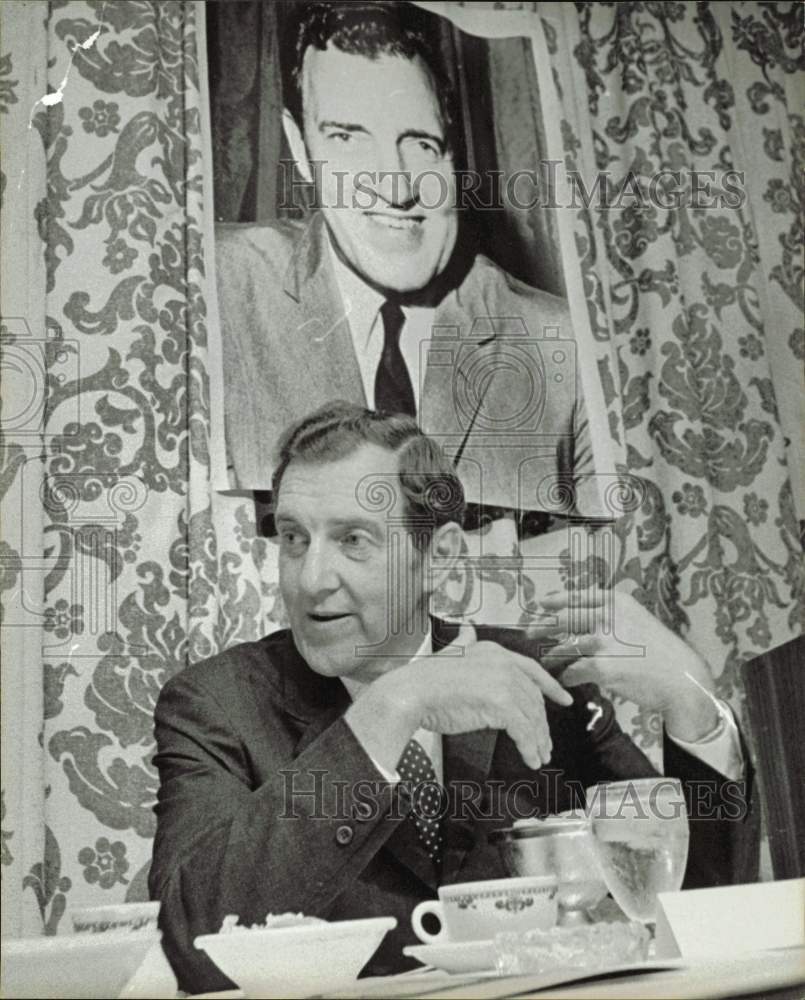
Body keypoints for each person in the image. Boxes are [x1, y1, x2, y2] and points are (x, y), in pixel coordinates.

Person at [151, 403, 757, 994]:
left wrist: (693, 705)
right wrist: (388, 711)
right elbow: (189, 947)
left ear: (438, 557)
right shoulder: (217, 704)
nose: (311, 579)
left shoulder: (535, 677)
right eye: (293, 538)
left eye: (353, 540)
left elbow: (693, 916)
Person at [215, 0, 600, 527]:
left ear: (454, 152)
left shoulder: (561, 345)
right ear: (299, 149)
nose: (396, 187)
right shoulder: (215, 289)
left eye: (420, 144)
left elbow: (604, 568)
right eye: (347, 138)